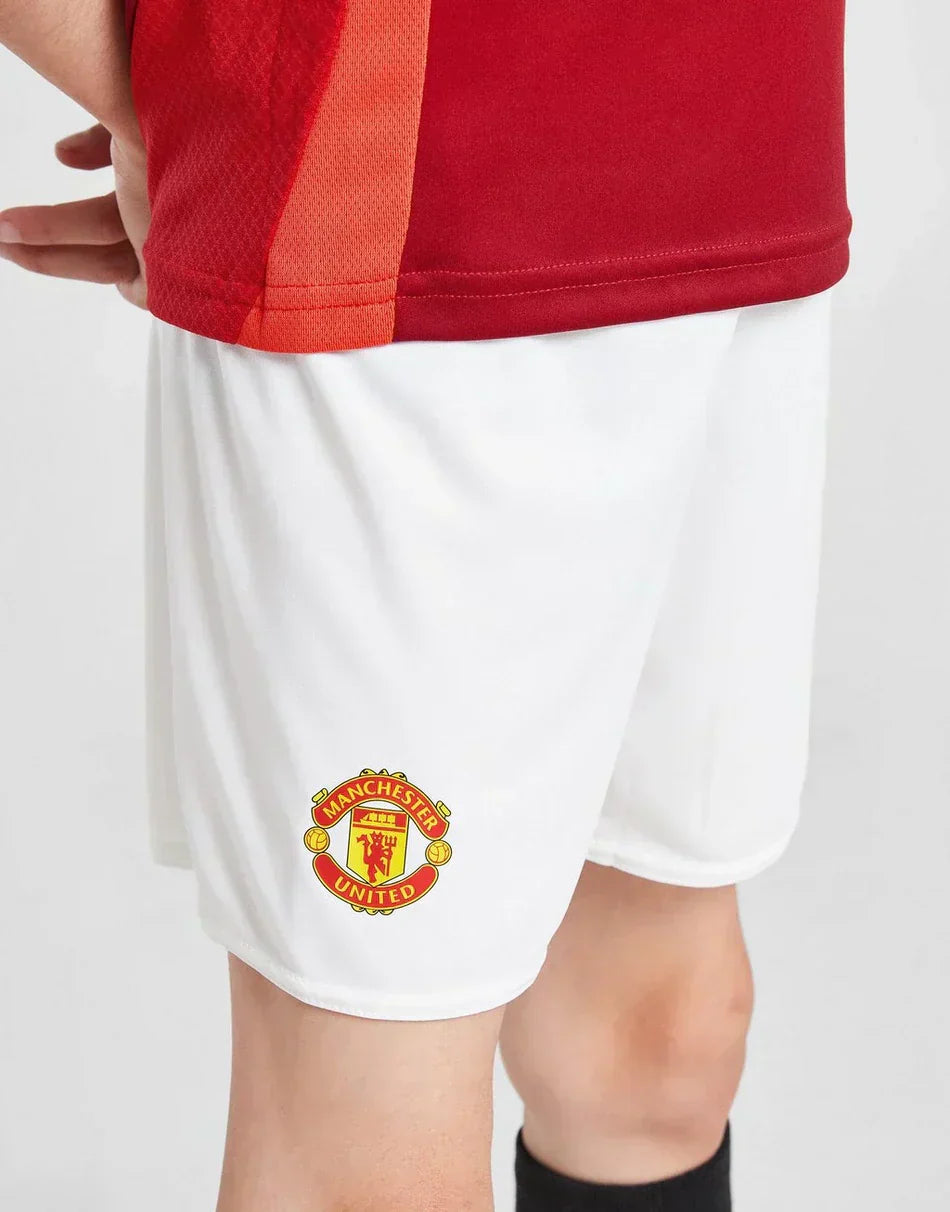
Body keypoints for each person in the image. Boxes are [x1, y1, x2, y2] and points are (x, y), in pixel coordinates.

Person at [0, 3, 850, 1209]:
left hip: (750, 157)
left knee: (651, 1052)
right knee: (367, 1148)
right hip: (390, 223)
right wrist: (197, 121)